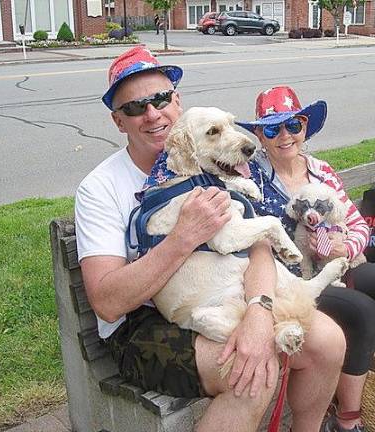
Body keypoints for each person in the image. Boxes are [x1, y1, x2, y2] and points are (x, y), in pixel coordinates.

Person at [75, 46, 347, 432]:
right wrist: (183, 237)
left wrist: (259, 310)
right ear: (119, 121)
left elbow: (257, 247)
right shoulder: (100, 188)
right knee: (253, 372)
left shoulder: (209, 162)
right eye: (135, 108)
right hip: (143, 324)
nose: (152, 114)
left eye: (160, 99)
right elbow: (106, 302)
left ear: (177, 100)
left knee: (330, 341)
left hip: (226, 290)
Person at [236, 86, 375, 432]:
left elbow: (356, 224)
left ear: (304, 128)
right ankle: (348, 418)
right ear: (259, 135)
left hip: (339, 264)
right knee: (362, 310)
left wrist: (346, 247)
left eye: (293, 125)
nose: (284, 136)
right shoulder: (251, 178)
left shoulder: (320, 170)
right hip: (293, 280)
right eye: (272, 129)